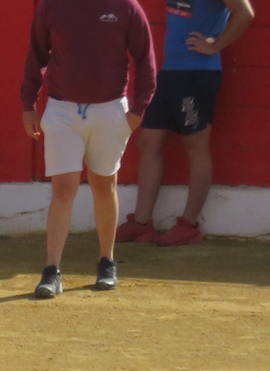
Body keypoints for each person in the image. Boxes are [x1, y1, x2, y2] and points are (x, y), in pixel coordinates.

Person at [21, 0, 157, 298]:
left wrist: (137, 110)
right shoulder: (52, 6)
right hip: (62, 109)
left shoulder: (126, 7)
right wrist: (28, 103)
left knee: (104, 184)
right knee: (63, 188)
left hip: (110, 109)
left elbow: (145, 58)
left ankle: (107, 262)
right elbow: (37, 54)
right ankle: (51, 270)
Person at [116, 0, 257, 247]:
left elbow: (245, 13)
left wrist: (215, 44)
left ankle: (189, 225)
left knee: (195, 145)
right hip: (170, 72)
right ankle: (141, 223)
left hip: (197, 73)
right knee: (149, 141)